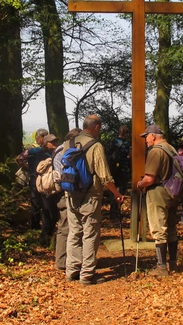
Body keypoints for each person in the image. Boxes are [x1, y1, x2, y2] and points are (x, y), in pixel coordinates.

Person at [65, 115, 124, 285]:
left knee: (74, 233)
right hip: (90, 197)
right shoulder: (95, 146)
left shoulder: (68, 143)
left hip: (70, 195)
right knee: (90, 235)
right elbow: (104, 176)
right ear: (96, 127)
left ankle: (72, 271)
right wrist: (116, 193)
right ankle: (87, 275)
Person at [136, 124, 180, 276]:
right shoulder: (171, 148)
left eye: (146, 137)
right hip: (173, 192)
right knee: (172, 227)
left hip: (158, 193)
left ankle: (161, 267)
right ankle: (173, 263)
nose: (146, 140)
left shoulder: (155, 151)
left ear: (153, 136)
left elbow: (149, 178)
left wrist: (140, 184)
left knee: (159, 229)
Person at [53, 128, 81, 271]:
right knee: (65, 227)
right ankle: (62, 261)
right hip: (64, 194)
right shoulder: (62, 151)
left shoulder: (60, 150)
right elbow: (60, 176)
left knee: (68, 227)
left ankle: (67, 259)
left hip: (65, 193)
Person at [24, 128, 49, 237]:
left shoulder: (30, 150)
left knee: (36, 202)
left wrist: (28, 168)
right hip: (43, 180)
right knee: (43, 202)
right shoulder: (44, 150)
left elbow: (19, 159)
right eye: (45, 137)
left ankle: (36, 226)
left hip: (35, 178)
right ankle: (44, 226)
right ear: (40, 138)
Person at [108, 125, 131, 220]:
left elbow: (109, 153)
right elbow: (129, 156)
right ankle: (117, 211)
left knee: (113, 189)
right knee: (120, 190)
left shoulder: (113, 142)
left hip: (113, 169)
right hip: (123, 170)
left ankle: (112, 212)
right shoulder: (126, 144)